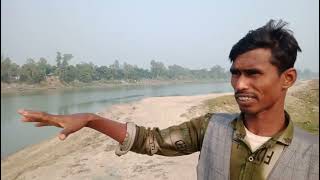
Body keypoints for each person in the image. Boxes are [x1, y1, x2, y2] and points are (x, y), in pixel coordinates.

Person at [18, 19, 319, 180]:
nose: (239, 84)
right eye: (235, 73)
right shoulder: (211, 127)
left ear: (288, 78)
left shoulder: (313, 155)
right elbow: (150, 141)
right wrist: (89, 120)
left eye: (253, 74)